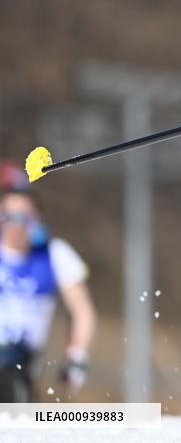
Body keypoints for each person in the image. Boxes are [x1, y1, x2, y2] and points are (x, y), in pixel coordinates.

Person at [0, 172, 97, 402]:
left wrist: (77, 356)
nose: (15, 225)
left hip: (22, 365)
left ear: (36, 220)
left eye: (23, 218)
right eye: (8, 216)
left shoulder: (54, 253)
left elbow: (82, 311)